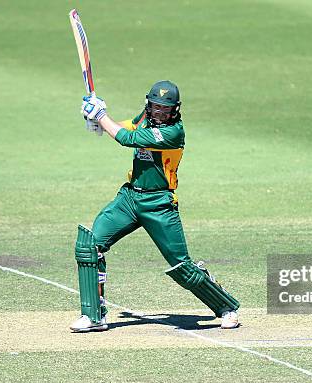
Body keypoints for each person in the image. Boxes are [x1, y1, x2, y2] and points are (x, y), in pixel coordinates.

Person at [70, 80, 240, 332]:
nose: (159, 112)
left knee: (182, 266)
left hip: (159, 203)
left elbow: (127, 138)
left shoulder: (173, 133)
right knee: (90, 245)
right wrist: (99, 122)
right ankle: (93, 316)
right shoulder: (146, 117)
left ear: (175, 110)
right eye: (156, 106)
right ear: (149, 104)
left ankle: (226, 307)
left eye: (165, 109)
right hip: (129, 198)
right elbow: (129, 126)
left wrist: (102, 116)